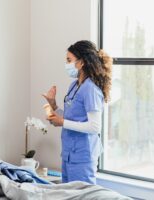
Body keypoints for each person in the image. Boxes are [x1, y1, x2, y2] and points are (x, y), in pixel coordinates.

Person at [43, 40, 113, 184]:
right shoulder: (74, 86)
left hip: (82, 158)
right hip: (69, 155)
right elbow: (72, 118)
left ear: (81, 63)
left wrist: (62, 122)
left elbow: (94, 127)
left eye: (69, 60)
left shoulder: (91, 89)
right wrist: (53, 105)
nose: (66, 64)